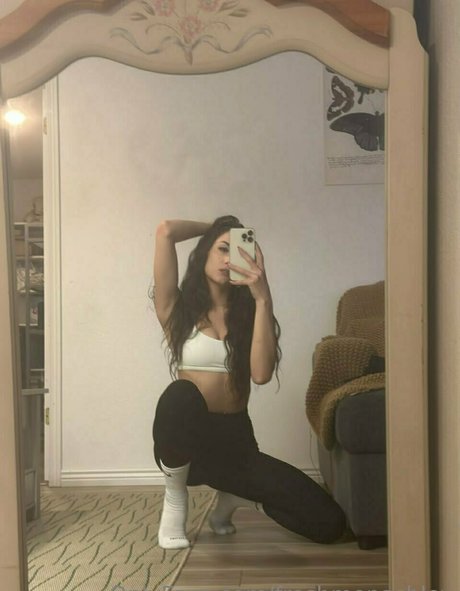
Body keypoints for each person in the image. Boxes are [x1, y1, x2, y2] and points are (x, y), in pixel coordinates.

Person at [151, 215, 347, 549]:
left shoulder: (250, 315)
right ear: (204, 252)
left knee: (330, 524)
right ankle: (175, 496)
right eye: (222, 248)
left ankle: (237, 497)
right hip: (187, 443)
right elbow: (166, 231)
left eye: (237, 251)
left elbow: (261, 375)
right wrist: (216, 226)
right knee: (180, 395)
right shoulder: (176, 310)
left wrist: (262, 298)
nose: (228, 259)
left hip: (235, 444)